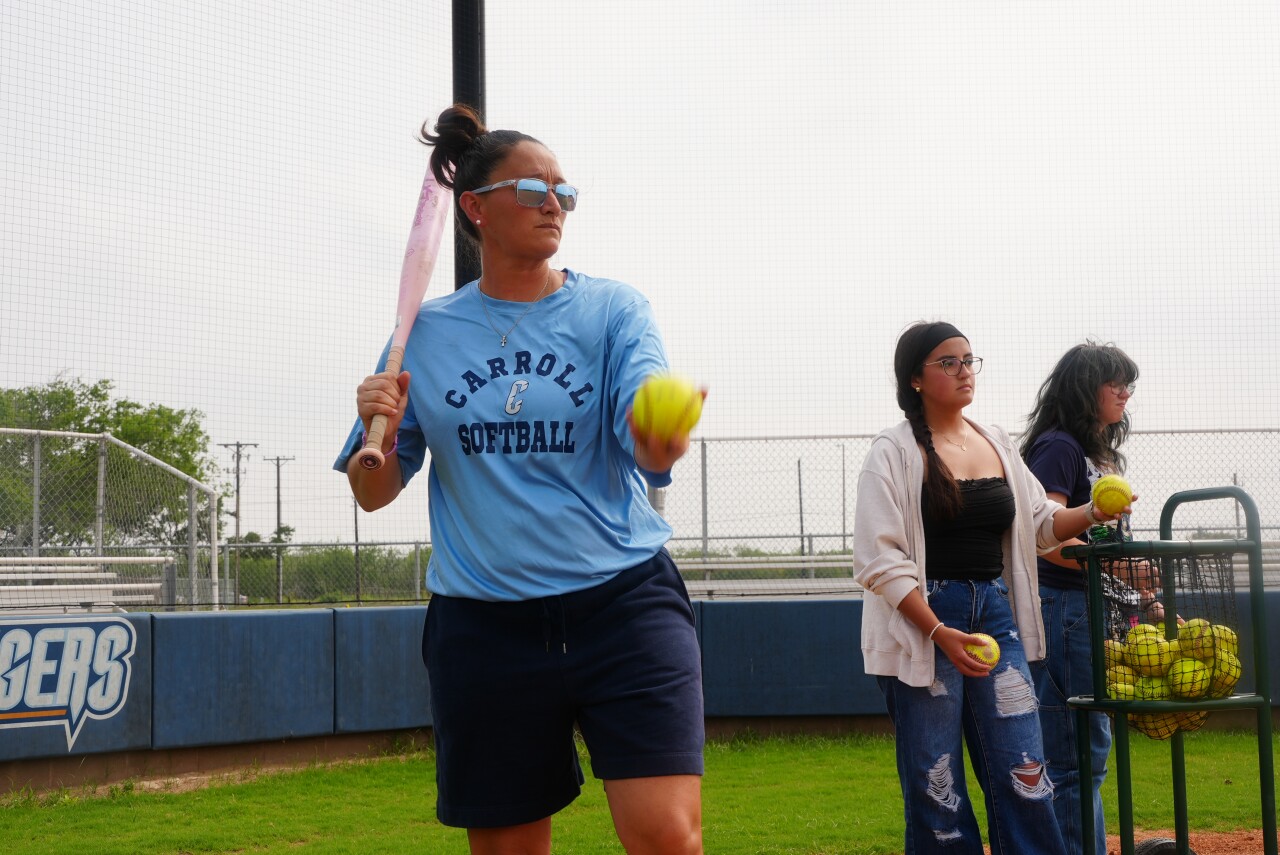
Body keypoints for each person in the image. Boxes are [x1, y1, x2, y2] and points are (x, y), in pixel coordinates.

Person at [336, 104, 705, 855]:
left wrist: (655, 434)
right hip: (485, 622)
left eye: (564, 192)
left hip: (622, 603)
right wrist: (371, 423)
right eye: (533, 188)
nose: (553, 204)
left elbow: (649, 446)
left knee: (668, 836)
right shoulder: (423, 334)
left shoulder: (612, 310)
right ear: (474, 208)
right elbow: (375, 490)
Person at [853, 321, 1128, 855]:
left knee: (1026, 772)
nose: (963, 371)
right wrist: (938, 631)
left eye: (969, 360)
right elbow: (878, 559)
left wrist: (1093, 511)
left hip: (994, 614)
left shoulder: (995, 441)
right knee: (939, 786)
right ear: (915, 378)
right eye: (948, 362)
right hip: (926, 621)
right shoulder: (893, 450)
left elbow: (1042, 524)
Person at [1021, 342, 1145, 855]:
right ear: (1082, 388)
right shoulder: (1059, 447)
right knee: (1074, 756)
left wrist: (1135, 590)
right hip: (1065, 608)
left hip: (1092, 608)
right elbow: (1041, 535)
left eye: (1127, 383)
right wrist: (1112, 565)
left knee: (1087, 751)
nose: (1124, 392)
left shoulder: (1099, 453)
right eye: (1112, 381)